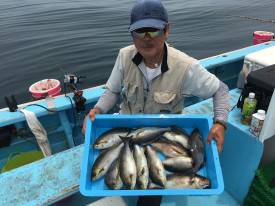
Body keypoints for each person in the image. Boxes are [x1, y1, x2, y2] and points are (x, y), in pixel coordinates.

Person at [83, 0, 230, 205]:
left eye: (153, 31)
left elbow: (220, 90)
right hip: (127, 130)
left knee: (149, 197)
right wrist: (98, 108)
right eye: (139, 32)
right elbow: (112, 91)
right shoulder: (124, 56)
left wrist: (220, 122)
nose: (146, 39)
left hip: (166, 135)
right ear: (131, 35)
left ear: (166, 30)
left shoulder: (185, 66)